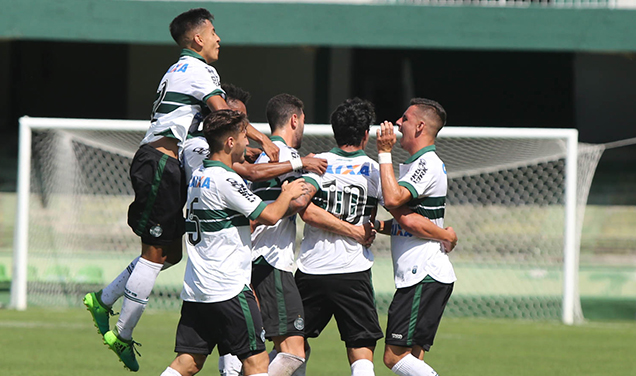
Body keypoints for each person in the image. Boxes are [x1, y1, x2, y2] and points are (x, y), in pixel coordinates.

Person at [82, 8, 278, 372]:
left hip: (162, 164)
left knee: (170, 254)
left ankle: (104, 298)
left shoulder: (176, 70)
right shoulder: (200, 70)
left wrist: (241, 146)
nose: (219, 38)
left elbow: (211, 128)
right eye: (214, 32)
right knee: (155, 254)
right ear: (198, 38)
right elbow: (225, 115)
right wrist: (263, 138)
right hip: (159, 163)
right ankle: (121, 334)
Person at [160, 109, 307, 376]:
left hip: (197, 288)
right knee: (257, 363)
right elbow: (271, 215)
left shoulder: (199, 176)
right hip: (228, 288)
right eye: (243, 138)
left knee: (188, 362)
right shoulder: (226, 179)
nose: (246, 144)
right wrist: (289, 192)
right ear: (230, 142)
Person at [291, 98, 383, 376]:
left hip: (312, 270)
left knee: (293, 347)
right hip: (352, 272)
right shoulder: (375, 171)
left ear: (334, 131)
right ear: (366, 134)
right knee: (361, 348)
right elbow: (396, 203)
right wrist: (357, 230)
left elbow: (304, 210)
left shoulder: (317, 164)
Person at [374, 98, 458, 376]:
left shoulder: (427, 162)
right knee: (413, 360)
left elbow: (393, 198)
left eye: (405, 119)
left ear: (420, 126)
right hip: (425, 274)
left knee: (393, 357)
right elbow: (409, 222)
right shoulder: (418, 163)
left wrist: (384, 153)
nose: (398, 123)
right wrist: (377, 226)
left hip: (422, 273)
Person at [248, 93, 316, 376]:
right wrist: (314, 181)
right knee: (293, 352)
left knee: (280, 348)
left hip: (254, 260)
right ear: (294, 119)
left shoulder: (257, 158)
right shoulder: (287, 156)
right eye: (303, 122)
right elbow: (298, 202)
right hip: (272, 262)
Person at [182, 84, 327, 185]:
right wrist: (300, 163)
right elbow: (251, 173)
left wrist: (247, 152)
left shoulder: (210, 145)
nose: (244, 128)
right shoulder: (197, 146)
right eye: (239, 120)